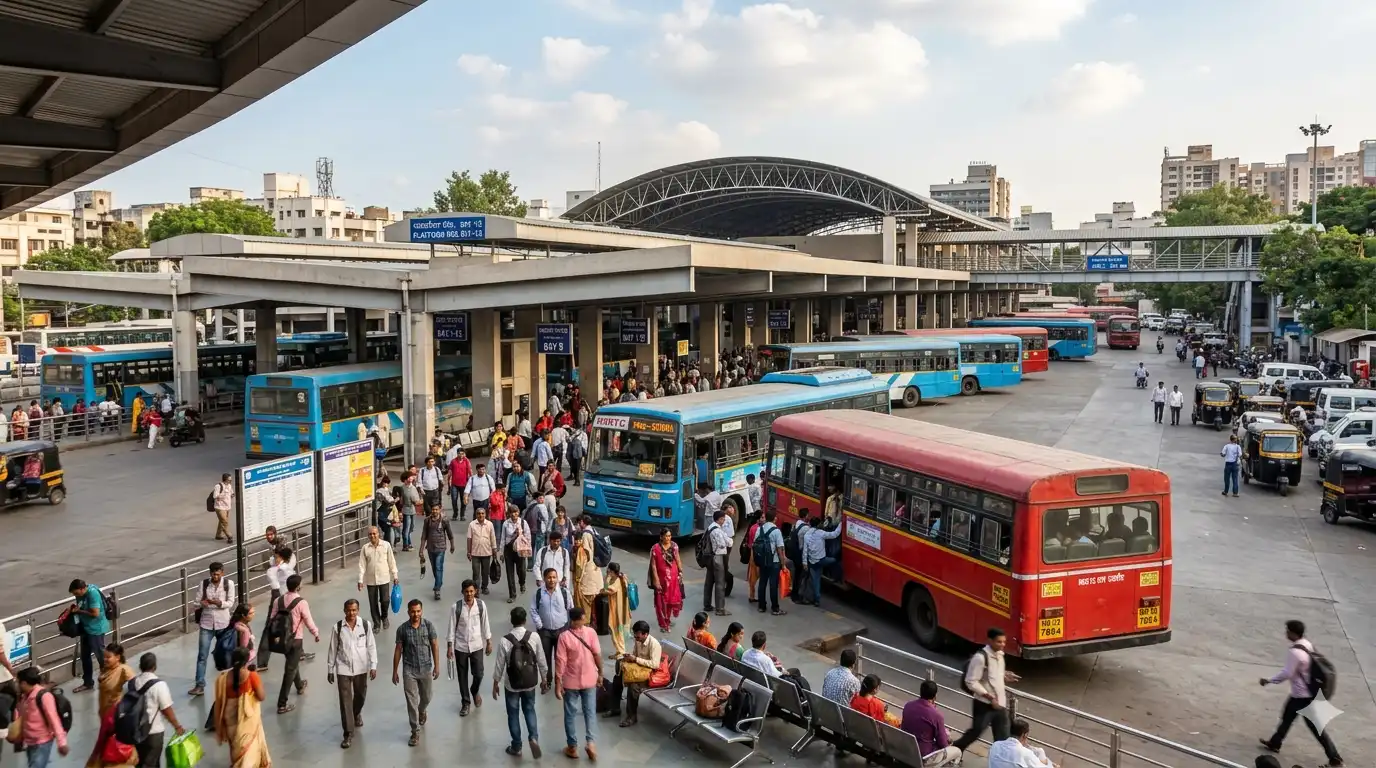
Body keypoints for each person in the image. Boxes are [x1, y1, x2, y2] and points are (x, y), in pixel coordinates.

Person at [1258, 619, 1344, 766]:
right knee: (1287, 717)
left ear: (1293, 633)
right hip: (1304, 693)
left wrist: (1269, 680)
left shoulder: (1295, 652)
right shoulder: (1307, 644)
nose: (1286, 633)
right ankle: (1275, 743)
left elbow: (1287, 673)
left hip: (1302, 696)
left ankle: (1335, 758)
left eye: (1287, 630)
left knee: (1315, 728)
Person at [492, 607, 548, 758]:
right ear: (525, 620)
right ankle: (533, 737)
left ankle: (516, 746)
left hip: (512, 684)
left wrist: (496, 683)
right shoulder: (534, 637)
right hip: (530, 683)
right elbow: (541, 660)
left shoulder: (505, 640)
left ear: (511, 621)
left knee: (513, 714)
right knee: (530, 709)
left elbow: (500, 664)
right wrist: (544, 679)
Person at [953, 627, 1020, 751]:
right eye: (999, 642)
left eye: (1004, 642)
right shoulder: (980, 658)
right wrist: (990, 697)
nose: (1002, 645)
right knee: (975, 732)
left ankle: (999, 759)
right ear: (990, 641)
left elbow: (993, 675)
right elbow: (971, 681)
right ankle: (954, 750)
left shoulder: (1000, 655)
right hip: (984, 705)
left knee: (1003, 738)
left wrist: (1005, 675)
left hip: (1000, 704)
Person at [326, 599, 376, 749]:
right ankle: (348, 733)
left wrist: (373, 665)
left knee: (361, 695)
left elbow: (371, 646)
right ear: (344, 611)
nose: (351, 613)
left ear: (358, 610)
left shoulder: (365, 625)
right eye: (348, 610)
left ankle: (356, 713)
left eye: (354, 610)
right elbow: (333, 649)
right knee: (345, 701)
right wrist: (330, 669)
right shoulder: (338, 628)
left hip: (361, 668)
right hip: (343, 669)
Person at [554, 607, 602, 760]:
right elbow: (597, 654)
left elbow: (560, 661)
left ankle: (572, 747)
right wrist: (600, 673)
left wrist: (558, 683)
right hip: (589, 679)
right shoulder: (591, 633)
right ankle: (591, 743)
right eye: (583, 616)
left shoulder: (564, 637)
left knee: (570, 714)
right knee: (590, 712)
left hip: (571, 681)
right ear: (580, 619)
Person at [270, 574, 320, 714]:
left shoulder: (278, 600)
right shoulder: (301, 602)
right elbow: (308, 620)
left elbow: (272, 618)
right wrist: (315, 633)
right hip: (296, 639)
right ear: (298, 587)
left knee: (292, 663)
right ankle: (282, 704)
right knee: (290, 669)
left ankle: (299, 685)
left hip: (282, 639)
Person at [392, 599, 440, 747]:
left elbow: (435, 645)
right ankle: (415, 731)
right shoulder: (402, 629)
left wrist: (437, 666)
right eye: (413, 611)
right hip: (409, 670)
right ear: (408, 612)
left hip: (426, 668)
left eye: (418, 611)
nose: (416, 614)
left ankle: (422, 710)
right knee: (411, 701)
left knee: (427, 697)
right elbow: (398, 650)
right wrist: (395, 671)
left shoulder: (429, 626)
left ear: (422, 611)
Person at [213, 648, 269, 768]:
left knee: (234, 745)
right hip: (246, 721)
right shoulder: (251, 676)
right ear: (247, 660)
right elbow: (261, 697)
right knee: (248, 750)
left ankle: (236, 763)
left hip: (228, 718)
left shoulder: (223, 678)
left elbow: (220, 699)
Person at [129, 653, 185, 768]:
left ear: (140, 666)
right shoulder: (159, 685)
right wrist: (177, 726)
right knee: (152, 763)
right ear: (154, 666)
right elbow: (166, 709)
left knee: (139, 762)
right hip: (153, 732)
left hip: (136, 732)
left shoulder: (132, 683)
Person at [84, 642, 136, 768]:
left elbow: (135, 686)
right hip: (104, 713)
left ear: (117, 657)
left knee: (110, 745)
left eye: (108, 657)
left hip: (115, 716)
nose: (105, 659)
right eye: (104, 657)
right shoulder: (106, 669)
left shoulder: (123, 669)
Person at [190, 562, 237, 697]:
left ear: (222, 573)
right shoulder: (204, 584)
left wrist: (219, 603)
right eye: (213, 574)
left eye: (217, 574)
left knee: (226, 654)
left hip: (223, 624)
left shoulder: (229, 584)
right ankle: (200, 684)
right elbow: (196, 602)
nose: (215, 577)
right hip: (206, 624)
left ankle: (230, 683)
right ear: (210, 573)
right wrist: (202, 603)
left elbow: (231, 602)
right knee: (202, 655)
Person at [447, 580, 493, 717]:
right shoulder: (456, 607)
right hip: (460, 646)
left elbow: (485, 623)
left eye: (471, 591)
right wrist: (450, 646)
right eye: (466, 591)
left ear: (476, 591)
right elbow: (451, 627)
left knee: (479, 673)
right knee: (462, 677)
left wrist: (488, 641)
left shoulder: (481, 605)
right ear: (462, 592)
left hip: (477, 645)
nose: (469, 594)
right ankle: (465, 702)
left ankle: (474, 690)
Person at [14, 667, 68, 768]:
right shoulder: (24, 697)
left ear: (24, 683)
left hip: (42, 742)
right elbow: (21, 717)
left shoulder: (44, 696)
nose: (17, 685)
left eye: (18, 682)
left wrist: (62, 743)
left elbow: (54, 719)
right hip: (30, 741)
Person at [901, 680, 963, 767]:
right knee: (957, 752)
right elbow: (943, 744)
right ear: (935, 696)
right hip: (924, 757)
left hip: (906, 749)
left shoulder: (908, 705)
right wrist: (947, 739)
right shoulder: (936, 715)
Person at [531, 567, 573, 687]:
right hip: (545, 632)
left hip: (561, 630)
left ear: (557, 578)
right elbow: (533, 610)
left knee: (561, 658)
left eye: (554, 577)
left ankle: (560, 681)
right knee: (546, 657)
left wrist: (569, 628)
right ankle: (547, 681)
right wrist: (539, 625)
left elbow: (571, 608)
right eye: (549, 577)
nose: (552, 580)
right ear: (544, 579)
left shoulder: (564, 593)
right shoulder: (538, 593)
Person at [68, 578, 111, 693]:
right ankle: (87, 683)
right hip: (86, 628)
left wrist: (79, 612)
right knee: (85, 656)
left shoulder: (92, 594)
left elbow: (95, 613)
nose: (76, 596)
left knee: (101, 656)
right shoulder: (80, 595)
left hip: (96, 630)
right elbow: (81, 606)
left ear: (82, 589)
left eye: (76, 593)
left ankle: (109, 680)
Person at [617, 621, 661, 727]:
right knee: (618, 677)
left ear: (645, 634)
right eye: (635, 635)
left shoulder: (654, 644)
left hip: (650, 674)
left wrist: (636, 659)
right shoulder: (638, 641)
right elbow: (635, 655)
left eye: (638, 635)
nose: (635, 638)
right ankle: (614, 707)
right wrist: (629, 657)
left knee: (633, 686)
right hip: (639, 670)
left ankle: (632, 717)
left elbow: (655, 665)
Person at [256, 546, 294, 668]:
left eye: (276, 557)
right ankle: (296, 653)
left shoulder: (276, 570)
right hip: (286, 598)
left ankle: (262, 661)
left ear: (281, 557)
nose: (274, 559)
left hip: (279, 597)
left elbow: (274, 580)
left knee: (271, 627)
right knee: (291, 626)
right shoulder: (286, 568)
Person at [357, 526, 399, 629]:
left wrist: (395, 576)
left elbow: (391, 561)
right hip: (371, 580)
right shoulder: (365, 548)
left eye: (374, 533)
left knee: (385, 600)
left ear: (378, 534)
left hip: (384, 578)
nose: (372, 536)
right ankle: (376, 624)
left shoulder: (386, 545)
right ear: (368, 536)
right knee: (373, 603)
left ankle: (384, 617)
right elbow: (362, 565)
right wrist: (360, 580)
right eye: (370, 534)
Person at [801, 515, 842, 609]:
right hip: (822, 560)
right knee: (835, 560)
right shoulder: (821, 533)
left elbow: (805, 551)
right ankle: (836, 576)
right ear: (818, 524)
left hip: (812, 562)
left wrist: (804, 563)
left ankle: (817, 600)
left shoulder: (807, 535)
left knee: (816, 581)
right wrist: (841, 523)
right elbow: (835, 534)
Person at [649, 528, 685, 633]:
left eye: (669, 536)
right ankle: (663, 624)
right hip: (661, 580)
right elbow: (653, 566)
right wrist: (656, 580)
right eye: (666, 536)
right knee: (660, 603)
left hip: (673, 580)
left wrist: (680, 572)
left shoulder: (674, 546)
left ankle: (667, 620)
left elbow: (677, 559)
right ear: (661, 537)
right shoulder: (655, 549)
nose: (668, 538)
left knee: (670, 601)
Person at [754, 510, 789, 617]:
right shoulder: (776, 531)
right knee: (773, 585)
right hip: (774, 562)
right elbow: (780, 549)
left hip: (762, 561)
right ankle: (775, 608)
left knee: (762, 583)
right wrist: (783, 564)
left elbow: (755, 544)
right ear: (774, 518)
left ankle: (761, 606)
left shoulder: (759, 529)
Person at [418, 506, 456, 601]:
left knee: (439, 567)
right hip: (431, 548)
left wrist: (452, 545)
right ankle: (439, 582)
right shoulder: (427, 521)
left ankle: (437, 589)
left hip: (441, 548)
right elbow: (424, 535)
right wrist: (421, 550)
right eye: (433, 509)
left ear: (439, 510)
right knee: (434, 568)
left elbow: (450, 534)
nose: (434, 511)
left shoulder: (444, 520)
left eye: (436, 509)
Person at [988, 719, 1055, 768]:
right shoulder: (1025, 753)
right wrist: (1051, 764)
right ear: (1025, 735)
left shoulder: (995, 745)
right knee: (1040, 752)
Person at [702, 509, 733, 615]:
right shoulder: (717, 531)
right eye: (723, 519)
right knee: (720, 583)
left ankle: (707, 604)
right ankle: (720, 609)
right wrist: (728, 540)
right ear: (719, 519)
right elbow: (723, 544)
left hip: (709, 557)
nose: (724, 521)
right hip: (717, 557)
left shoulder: (710, 527)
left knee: (709, 582)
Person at [573, 515, 603, 618]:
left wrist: (578, 579)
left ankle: (587, 621)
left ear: (582, 522)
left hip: (588, 574)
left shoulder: (585, 535)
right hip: (595, 568)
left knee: (586, 602)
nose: (577, 525)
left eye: (578, 523)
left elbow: (584, 556)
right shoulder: (593, 530)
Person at [501, 507, 533, 603]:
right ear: (509, 513)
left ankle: (522, 583)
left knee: (522, 570)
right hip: (509, 550)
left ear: (518, 512)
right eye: (512, 512)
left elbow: (528, 536)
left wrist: (527, 548)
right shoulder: (506, 523)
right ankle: (512, 595)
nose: (514, 514)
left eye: (515, 512)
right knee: (509, 573)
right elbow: (503, 538)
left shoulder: (523, 523)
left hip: (520, 549)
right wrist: (501, 552)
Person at [602, 563, 631, 657]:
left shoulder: (617, 581)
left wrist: (607, 577)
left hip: (616, 611)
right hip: (620, 610)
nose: (607, 572)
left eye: (609, 571)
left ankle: (621, 651)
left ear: (612, 571)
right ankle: (619, 651)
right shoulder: (621, 578)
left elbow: (606, 589)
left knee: (615, 631)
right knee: (618, 631)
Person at [468, 506, 499, 594]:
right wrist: (469, 552)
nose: (480, 515)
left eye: (482, 513)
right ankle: (476, 589)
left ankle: (484, 587)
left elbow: (492, 538)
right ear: (476, 515)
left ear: (485, 514)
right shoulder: (472, 524)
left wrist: (494, 549)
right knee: (476, 573)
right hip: (475, 553)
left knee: (485, 572)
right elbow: (469, 538)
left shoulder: (489, 524)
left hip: (486, 552)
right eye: (478, 514)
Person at [418, 455, 445, 521]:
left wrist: (442, 482)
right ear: (426, 463)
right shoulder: (422, 470)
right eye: (429, 462)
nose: (431, 463)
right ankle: (429, 521)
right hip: (426, 492)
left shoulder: (436, 469)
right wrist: (421, 490)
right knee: (427, 509)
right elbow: (419, 481)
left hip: (435, 491)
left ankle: (435, 521)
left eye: (432, 461)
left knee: (435, 507)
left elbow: (440, 478)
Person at [211, 473, 234, 543]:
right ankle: (229, 536)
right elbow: (215, 496)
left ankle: (218, 535)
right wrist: (222, 495)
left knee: (222, 521)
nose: (230, 481)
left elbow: (231, 493)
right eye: (229, 480)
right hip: (220, 507)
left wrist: (232, 495)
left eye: (231, 480)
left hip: (227, 506)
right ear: (225, 479)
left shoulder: (229, 486)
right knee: (225, 521)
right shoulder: (218, 486)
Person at [449, 450, 472, 520]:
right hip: (454, 484)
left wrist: (471, 482)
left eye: (462, 454)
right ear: (457, 454)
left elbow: (470, 471)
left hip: (464, 484)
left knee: (464, 500)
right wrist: (448, 483)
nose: (461, 455)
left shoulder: (466, 461)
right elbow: (450, 472)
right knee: (454, 500)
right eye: (459, 453)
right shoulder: (453, 461)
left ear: (464, 454)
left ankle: (462, 515)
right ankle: (455, 514)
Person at [1221, 434, 1242, 498]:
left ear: (1230, 439)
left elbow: (1223, 454)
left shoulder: (1226, 446)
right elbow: (1240, 455)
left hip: (1228, 464)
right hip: (1235, 464)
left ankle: (1226, 491)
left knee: (1227, 478)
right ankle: (1235, 493)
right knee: (1235, 478)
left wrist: (1223, 454)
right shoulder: (1238, 447)